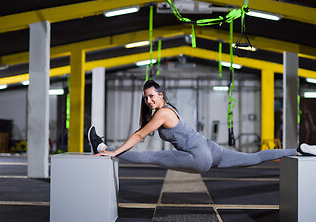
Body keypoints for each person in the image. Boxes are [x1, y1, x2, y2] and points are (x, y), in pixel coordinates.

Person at [88, 80, 316, 174]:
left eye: (152, 96)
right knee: (253, 157)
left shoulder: (163, 113)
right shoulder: (169, 109)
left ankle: (102, 149)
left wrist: (116, 152)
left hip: (201, 156)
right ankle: (299, 149)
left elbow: (139, 135)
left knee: (150, 155)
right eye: (146, 98)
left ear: (161, 95)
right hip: (210, 148)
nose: (149, 101)